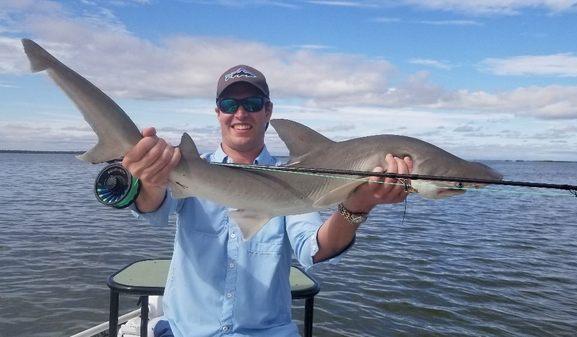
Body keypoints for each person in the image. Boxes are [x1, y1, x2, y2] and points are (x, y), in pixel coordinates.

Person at [122, 65, 413, 337]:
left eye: (251, 104)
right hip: (189, 330)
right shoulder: (190, 170)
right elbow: (152, 210)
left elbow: (316, 249)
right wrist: (150, 178)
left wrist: (357, 207)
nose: (240, 113)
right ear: (217, 112)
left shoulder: (293, 181)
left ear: (268, 110)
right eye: (228, 105)